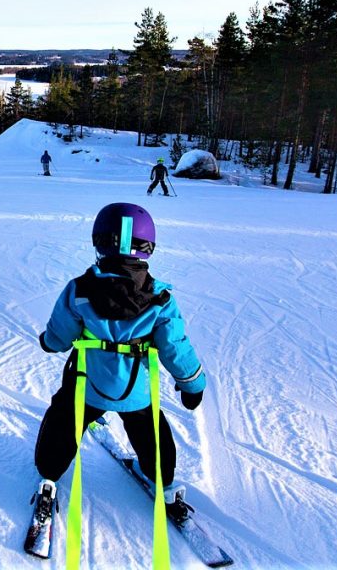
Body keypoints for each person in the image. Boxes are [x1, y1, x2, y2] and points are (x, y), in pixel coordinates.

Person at [28, 202, 207, 536]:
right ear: (149, 246)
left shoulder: (79, 290)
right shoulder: (161, 298)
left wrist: (48, 342)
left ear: (99, 241)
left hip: (88, 385)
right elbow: (175, 347)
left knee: (64, 418)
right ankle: (164, 483)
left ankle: (49, 474)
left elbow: (60, 336)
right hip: (135, 391)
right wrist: (192, 384)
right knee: (149, 428)